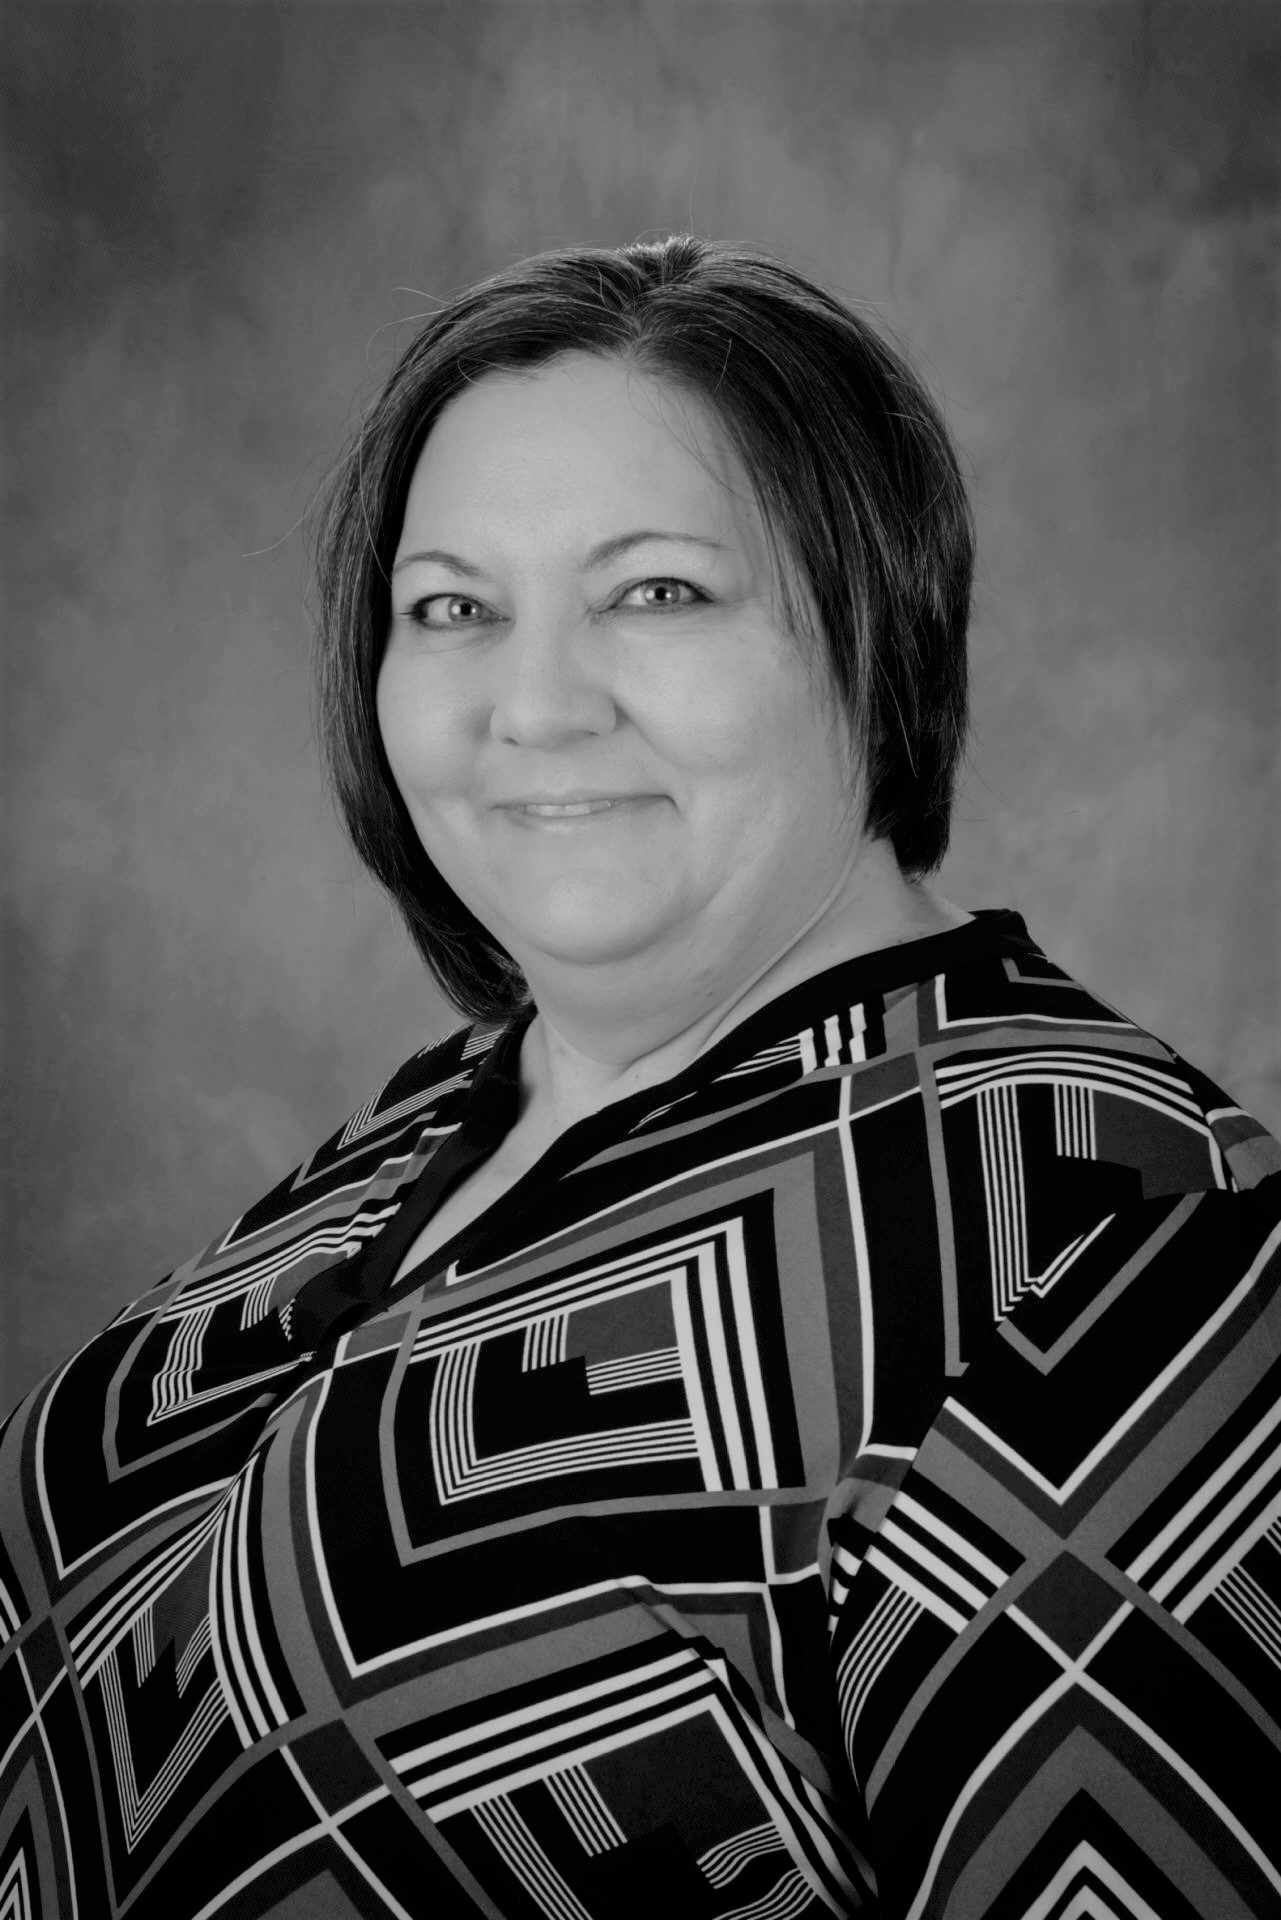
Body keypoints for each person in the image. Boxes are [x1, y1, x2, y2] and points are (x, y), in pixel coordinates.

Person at [1, 235, 1278, 1920]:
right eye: (452, 607)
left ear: (870, 619)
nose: (530, 704)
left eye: (655, 592)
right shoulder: (419, 1135)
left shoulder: (1111, 1230)